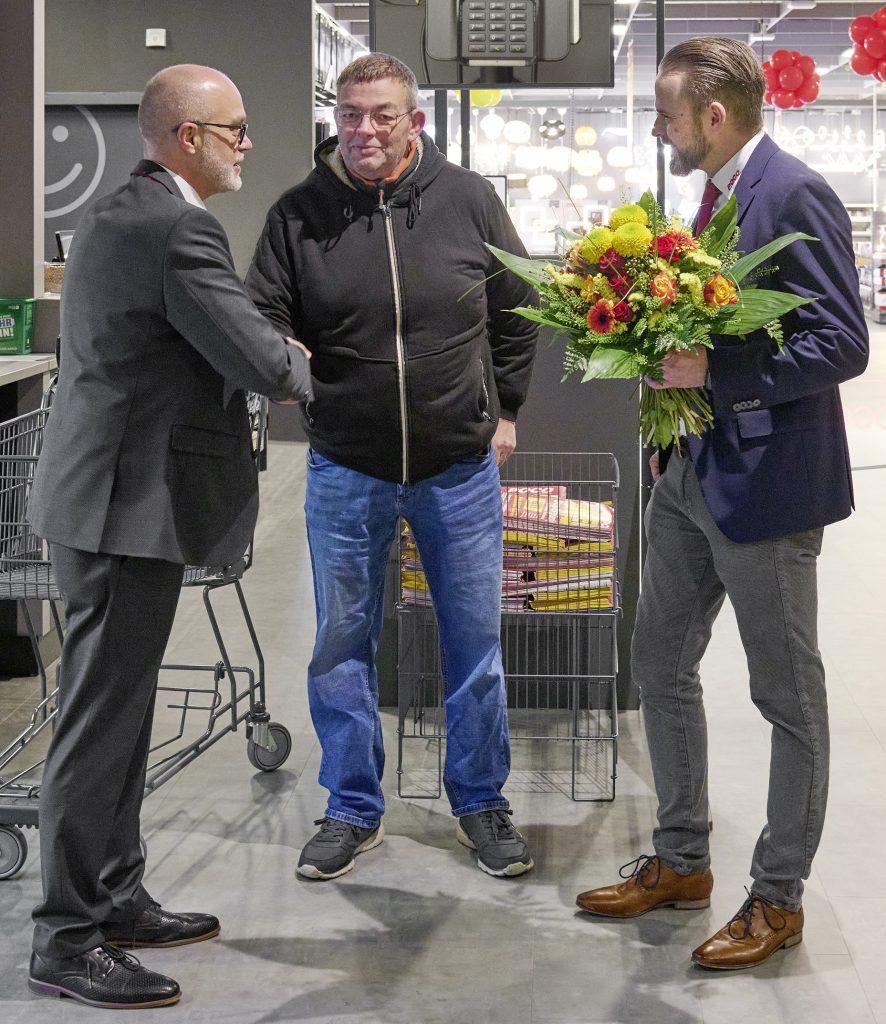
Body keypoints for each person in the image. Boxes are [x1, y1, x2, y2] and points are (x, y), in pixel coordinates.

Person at [575, 37, 869, 970]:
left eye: (666, 111)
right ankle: (683, 858)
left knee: (787, 698)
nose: (658, 126)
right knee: (657, 665)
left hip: (769, 488)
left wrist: (721, 373)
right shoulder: (711, 199)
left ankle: (777, 898)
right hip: (688, 477)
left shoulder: (792, 191)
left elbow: (843, 342)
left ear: (713, 114)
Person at [26, 64, 313, 1009]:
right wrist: (291, 363)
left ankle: (113, 898)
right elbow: (258, 356)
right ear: (187, 136)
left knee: (121, 715)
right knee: (99, 725)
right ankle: (68, 940)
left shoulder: (130, 211)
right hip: (121, 507)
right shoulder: (176, 227)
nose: (246, 145)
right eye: (234, 129)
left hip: (113, 502)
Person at [246, 52, 538, 882]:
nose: (365, 128)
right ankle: (351, 806)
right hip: (346, 467)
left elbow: (519, 312)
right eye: (350, 112)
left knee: (475, 642)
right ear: (334, 116)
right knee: (341, 643)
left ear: (414, 121)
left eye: (382, 114)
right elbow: (261, 310)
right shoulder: (298, 214)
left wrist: (505, 408)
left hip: (458, 468)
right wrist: (292, 367)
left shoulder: (468, 200)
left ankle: (480, 800)